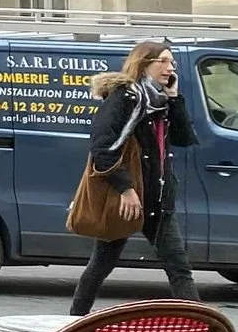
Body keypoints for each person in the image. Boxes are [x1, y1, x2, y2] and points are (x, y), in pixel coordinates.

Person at [67, 41, 202, 314]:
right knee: (100, 265)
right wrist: (126, 189)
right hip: (128, 199)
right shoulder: (125, 98)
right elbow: (102, 149)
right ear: (144, 63)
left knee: (179, 268)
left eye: (172, 63)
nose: (170, 67)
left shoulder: (161, 101)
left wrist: (175, 98)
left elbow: (184, 139)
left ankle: (204, 331)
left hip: (159, 199)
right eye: (163, 61)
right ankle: (73, 323)